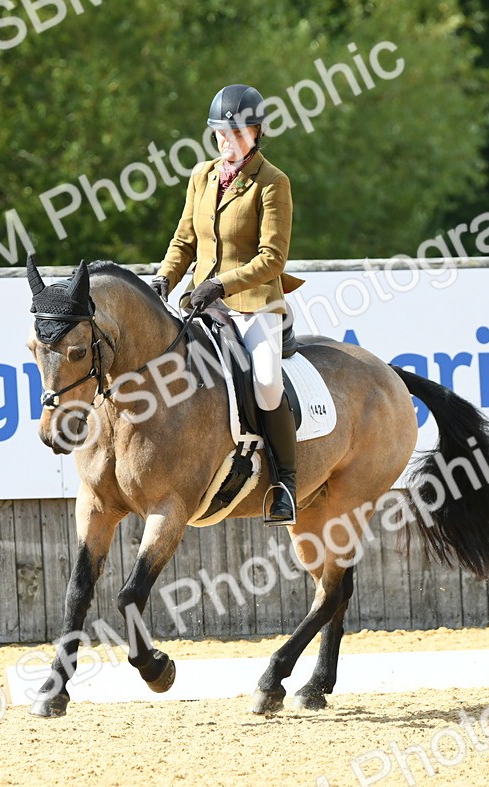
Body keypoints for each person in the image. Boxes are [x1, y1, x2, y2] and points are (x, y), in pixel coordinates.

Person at [152, 83, 305, 526]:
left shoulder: (273, 182)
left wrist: (220, 284)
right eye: (220, 133)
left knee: (267, 383)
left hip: (254, 306)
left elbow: (272, 258)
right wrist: (164, 278)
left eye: (237, 133)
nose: (227, 141)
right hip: (204, 304)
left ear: (256, 133)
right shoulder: (201, 176)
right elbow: (183, 240)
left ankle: (286, 484)